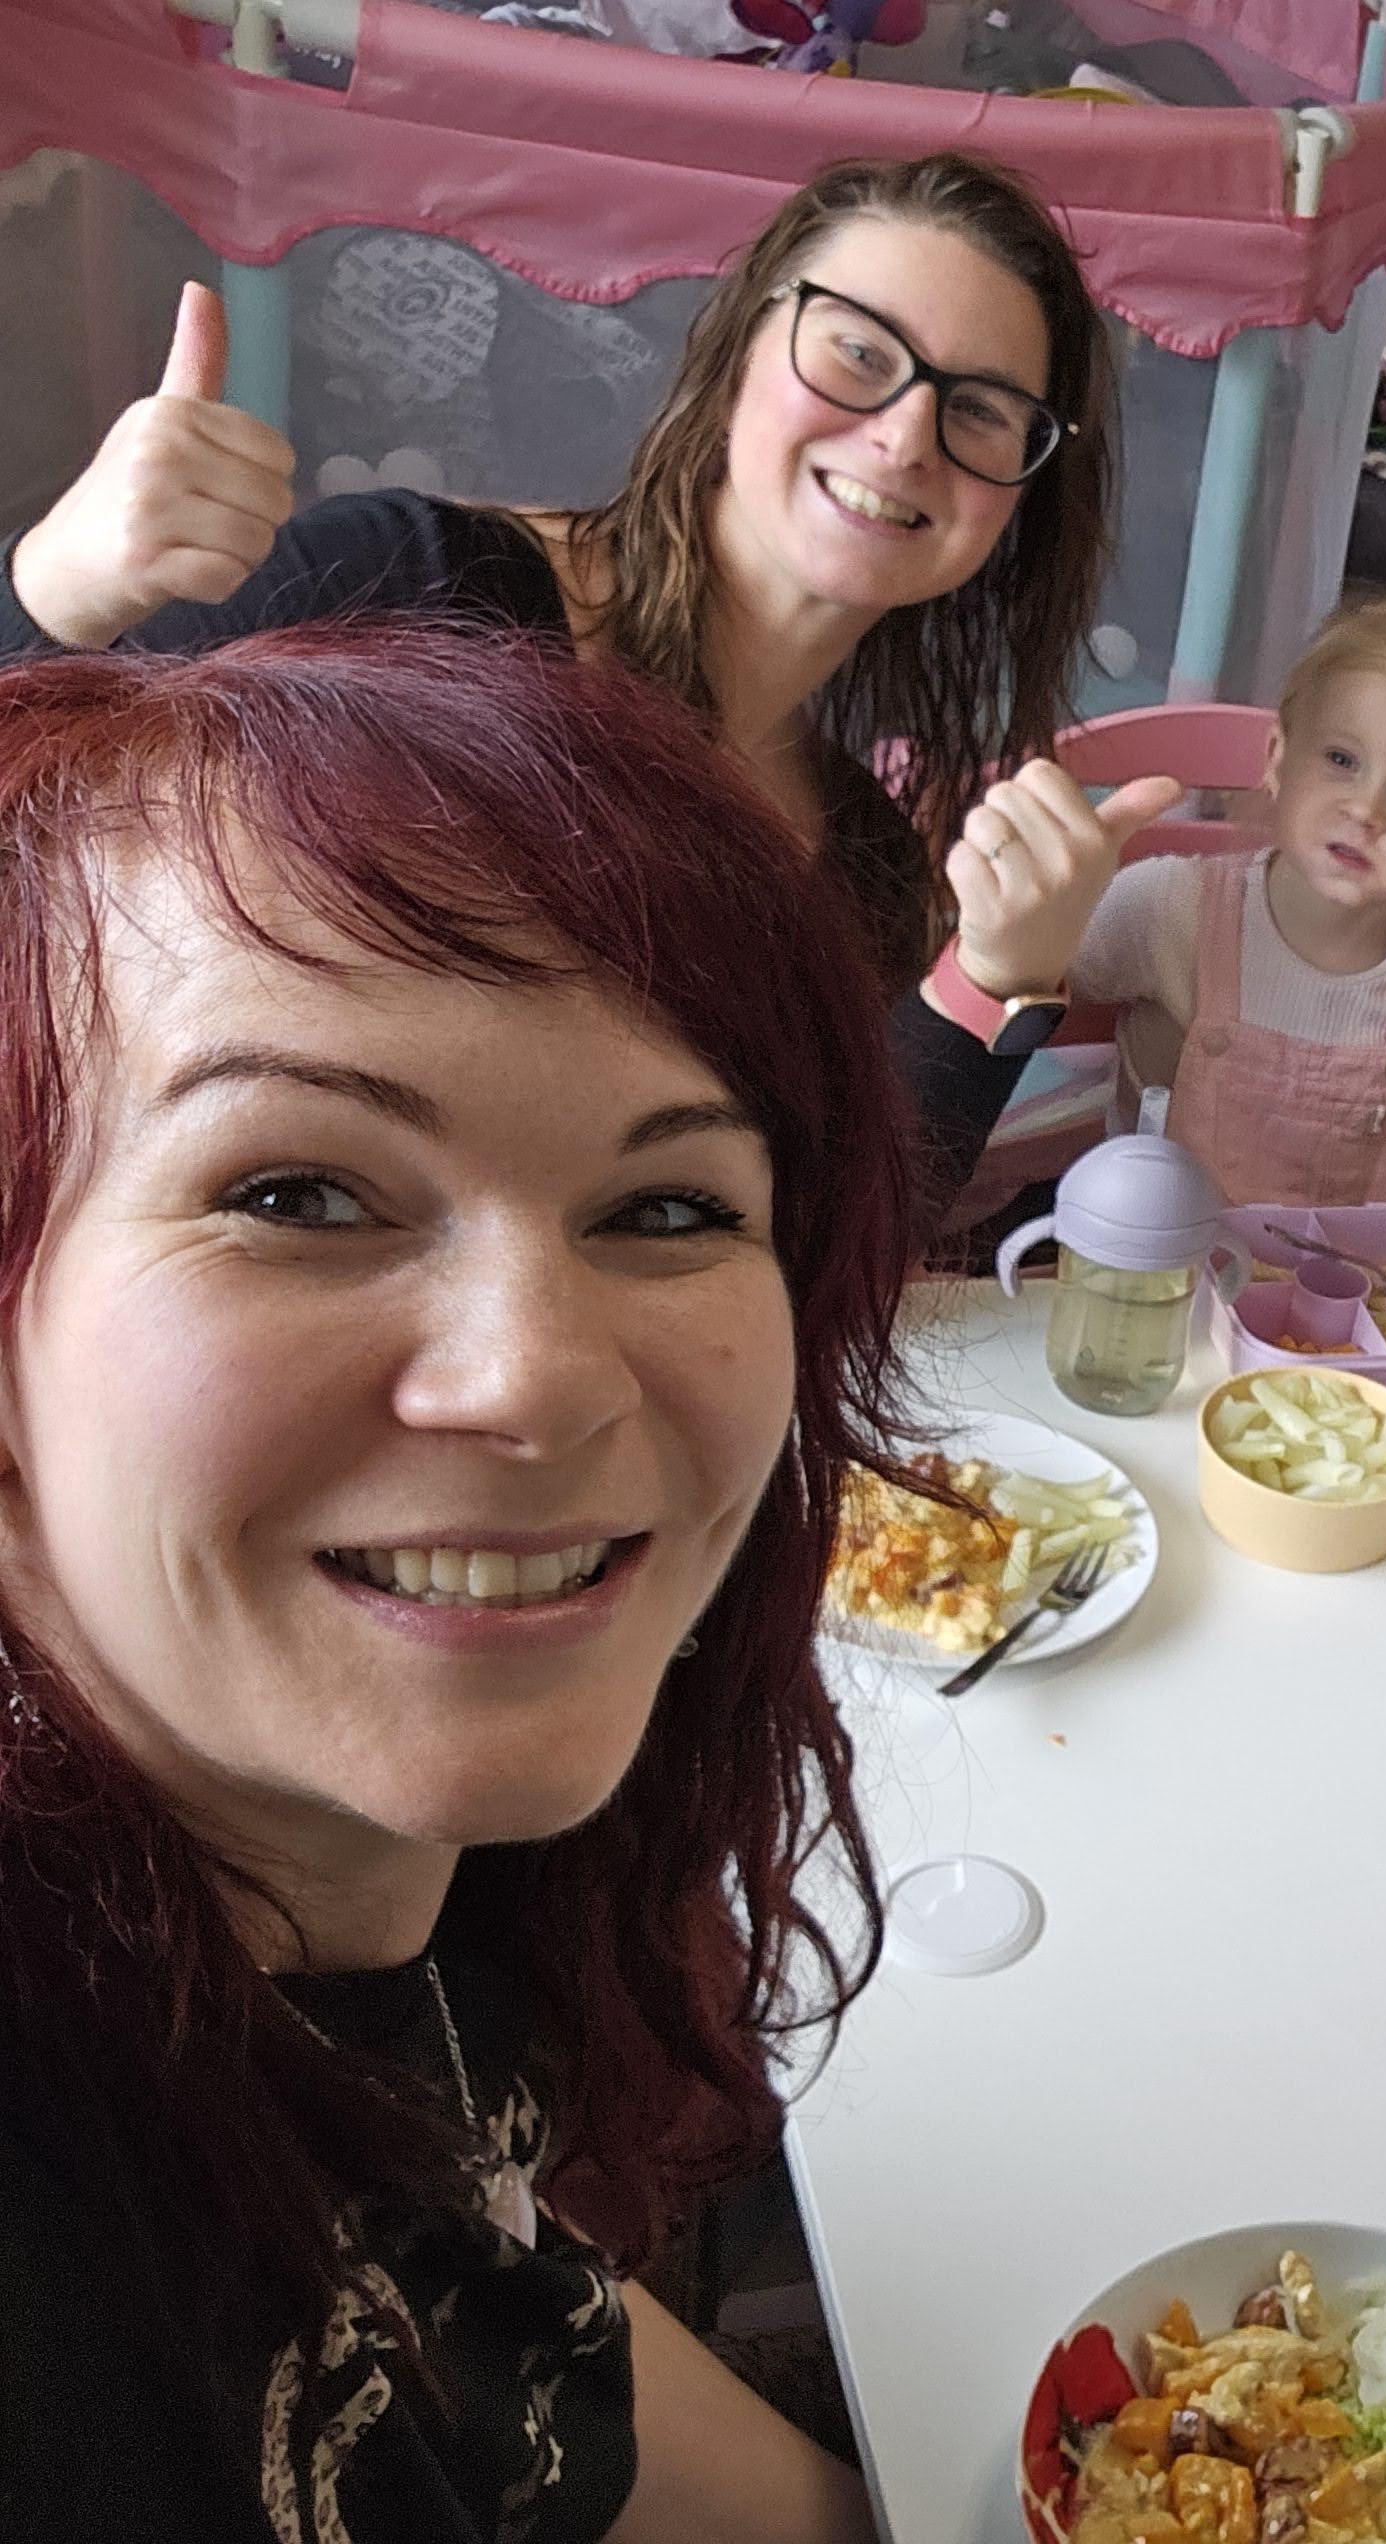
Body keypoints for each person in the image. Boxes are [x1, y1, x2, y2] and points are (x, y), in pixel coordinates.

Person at [0, 625, 914, 2542]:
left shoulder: (370, 1874)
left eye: (667, 1206)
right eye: (299, 1191)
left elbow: (499, 2301)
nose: (539, 1374)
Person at [0, 152, 1180, 1225]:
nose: (907, 433)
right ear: (735, 361)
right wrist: (55, 595)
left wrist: (993, 978)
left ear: (1017, 500)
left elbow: (827, 1248)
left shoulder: (863, 866)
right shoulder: (409, 583)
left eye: (979, 409)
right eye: (860, 352)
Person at [1064, 585, 1386, 1211]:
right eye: (1341, 759)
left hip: (1343, 1282)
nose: (1366, 809)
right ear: (1279, 759)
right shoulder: (1169, 909)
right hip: (1159, 1274)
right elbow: (1029, 985)